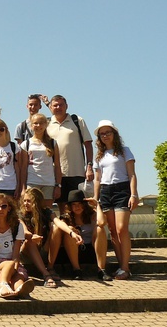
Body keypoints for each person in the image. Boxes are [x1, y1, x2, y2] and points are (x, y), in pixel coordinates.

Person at [93, 120, 138, 280]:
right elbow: (97, 179)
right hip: (105, 191)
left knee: (121, 229)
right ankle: (120, 267)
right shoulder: (99, 155)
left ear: (114, 134)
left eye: (108, 132)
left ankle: (125, 267)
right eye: (102, 133)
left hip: (122, 189)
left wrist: (133, 194)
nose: (105, 136)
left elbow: (132, 174)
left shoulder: (124, 151)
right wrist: (95, 198)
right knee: (112, 231)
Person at [0, 193, 34, 299]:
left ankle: (20, 289)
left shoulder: (17, 227)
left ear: (9, 208)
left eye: (4, 206)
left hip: (11, 261)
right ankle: (2, 285)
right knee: (8, 264)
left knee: (18, 275)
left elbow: (16, 255)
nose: (0, 209)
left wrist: (15, 267)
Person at [19, 187, 76, 288]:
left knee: (56, 228)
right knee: (29, 241)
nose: (25, 204)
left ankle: (50, 267)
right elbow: (24, 231)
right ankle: (46, 274)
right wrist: (32, 236)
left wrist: (71, 233)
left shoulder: (46, 212)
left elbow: (58, 221)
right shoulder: (21, 214)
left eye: (29, 201)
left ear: (37, 202)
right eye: (24, 201)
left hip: (43, 248)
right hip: (26, 252)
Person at [46, 94, 93, 211]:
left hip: (76, 173)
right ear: (50, 108)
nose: (58, 107)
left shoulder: (77, 121)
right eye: (55, 105)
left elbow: (88, 145)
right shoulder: (46, 124)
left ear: (66, 106)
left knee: (79, 208)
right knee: (63, 209)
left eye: (61, 105)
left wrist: (89, 166)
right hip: (56, 175)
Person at [60, 189, 110, 281]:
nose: (77, 207)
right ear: (70, 206)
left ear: (84, 204)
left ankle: (101, 270)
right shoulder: (65, 217)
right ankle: (77, 270)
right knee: (69, 232)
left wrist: (97, 205)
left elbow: (102, 223)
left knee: (100, 229)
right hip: (74, 252)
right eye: (74, 204)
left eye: (80, 204)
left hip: (91, 251)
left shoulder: (92, 215)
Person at [20, 113, 62, 207]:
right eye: (35, 123)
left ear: (46, 124)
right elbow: (23, 168)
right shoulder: (25, 144)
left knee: (46, 212)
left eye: (41, 123)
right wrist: (23, 188)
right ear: (31, 125)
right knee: (32, 211)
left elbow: (58, 166)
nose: (38, 126)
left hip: (48, 183)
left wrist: (58, 185)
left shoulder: (52, 143)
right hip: (32, 182)